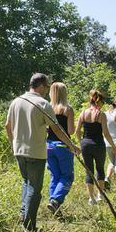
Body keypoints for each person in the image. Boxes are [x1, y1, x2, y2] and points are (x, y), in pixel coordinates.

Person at [6, 73, 80, 232]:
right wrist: (72, 145)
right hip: (35, 152)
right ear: (40, 86)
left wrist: (13, 145)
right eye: (47, 87)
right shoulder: (42, 104)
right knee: (34, 188)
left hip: (19, 151)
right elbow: (58, 130)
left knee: (26, 182)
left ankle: (23, 214)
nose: (47, 90)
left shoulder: (16, 101)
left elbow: (8, 125)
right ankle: (30, 227)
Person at [75, 88, 116, 204]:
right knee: (100, 169)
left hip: (86, 144)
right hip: (98, 144)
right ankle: (100, 196)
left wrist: (81, 142)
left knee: (89, 171)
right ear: (99, 102)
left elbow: (77, 131)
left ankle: (91, 198)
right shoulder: (101, 115)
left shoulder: (83, 113)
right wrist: (113, 145)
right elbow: (106, 133)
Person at [45, 82, 77, 215]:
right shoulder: (67, 109)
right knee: (67, 176)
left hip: (48, 146)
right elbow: (71, 130)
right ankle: (56, 201)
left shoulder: (47, 109)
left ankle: (54, 205)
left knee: (55, 175)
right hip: (62, 146)